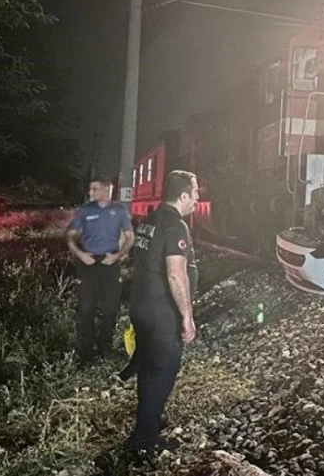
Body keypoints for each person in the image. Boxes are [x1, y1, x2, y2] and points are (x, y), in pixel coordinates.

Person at [127, 170, 199, 454]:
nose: (197, 198)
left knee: (148, 367)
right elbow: (175, 275)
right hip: (161, 313)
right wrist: (187, 316)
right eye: (195, 193)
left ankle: (152, 418)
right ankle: (144, 441)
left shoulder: (150, 221)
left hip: (140, 306)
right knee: (163, 370)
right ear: (182, 196)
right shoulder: (175, 226)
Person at [66, 176, 134, 364]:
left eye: (94, 189)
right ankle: (87, 353)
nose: (91, 193)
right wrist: (80, 255)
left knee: (110, 308)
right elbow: (70, 237)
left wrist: (117, 256)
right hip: (88, 263)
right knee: (86, 309)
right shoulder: (85, 210)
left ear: (106, 189)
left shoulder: (119, 211)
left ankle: (105, 349)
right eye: (90, 189)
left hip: (110, 262)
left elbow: (130, 237)